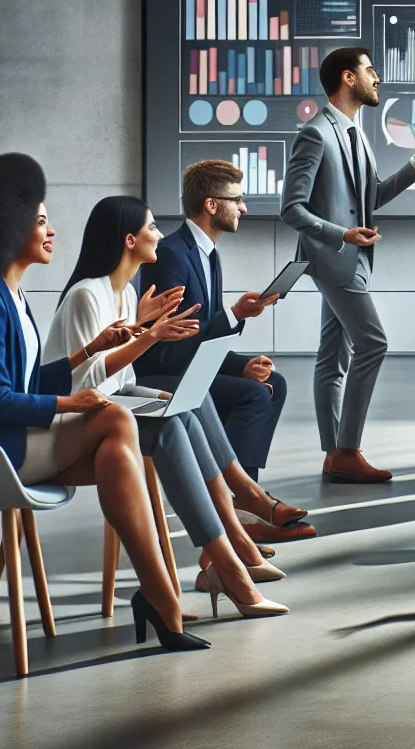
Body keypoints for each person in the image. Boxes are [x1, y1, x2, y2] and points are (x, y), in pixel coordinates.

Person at [0, 154, 206, 650]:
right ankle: (162, 597)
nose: (51, 232)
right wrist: (69, 404)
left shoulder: (7, 294)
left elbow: (24, 376)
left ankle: (159, 597)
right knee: (115, 420)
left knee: (116, 446)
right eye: (41, 222)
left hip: (0, 441)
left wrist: (90, 350)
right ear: (7, 231)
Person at [46, 195, 288, 617]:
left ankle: (230, 549)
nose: (160, 233)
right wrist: (150, 335)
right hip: (71, 424)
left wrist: (143, 332)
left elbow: (123, 382)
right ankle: (229, 561)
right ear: (128, 240)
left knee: (186, 404)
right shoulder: (87, 296)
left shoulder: (122, 295)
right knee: (175, 423)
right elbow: (85, 381)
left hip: (106, 411)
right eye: (152, 227)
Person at [281, 47, 415, 483]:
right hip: (333, 259)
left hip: (355, 261)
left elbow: (372, 199)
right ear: (349, 78)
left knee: (332, 358)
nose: (378, 78)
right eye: (371, 71)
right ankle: (347, 449)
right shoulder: (316, 134)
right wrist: (341, 234)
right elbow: (291, 209)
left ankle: (335, 455)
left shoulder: (356, 132)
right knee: (373, 344)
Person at [136, 160, 313, 544]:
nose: (244, 208)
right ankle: (244, 506)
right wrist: (233, 314)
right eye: (237, 200)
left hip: (188, 365)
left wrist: (241, 362)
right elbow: (170, 342)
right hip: (163, 374)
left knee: (272, 383)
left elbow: (201, 336)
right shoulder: (172, 255)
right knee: (251, 394)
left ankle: (245, 504)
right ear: (212, 205)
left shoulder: (208, 254)